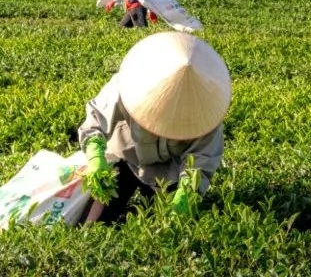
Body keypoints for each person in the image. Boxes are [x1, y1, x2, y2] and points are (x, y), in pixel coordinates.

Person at [78, 31, 231, 223]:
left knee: (162, 223)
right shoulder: (126, 86)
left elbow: (201, 163)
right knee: (95, 218)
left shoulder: (206, 115)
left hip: (168, 172)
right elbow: (95, 120)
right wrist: (95, 157)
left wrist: (185, 197)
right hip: (125, 157)